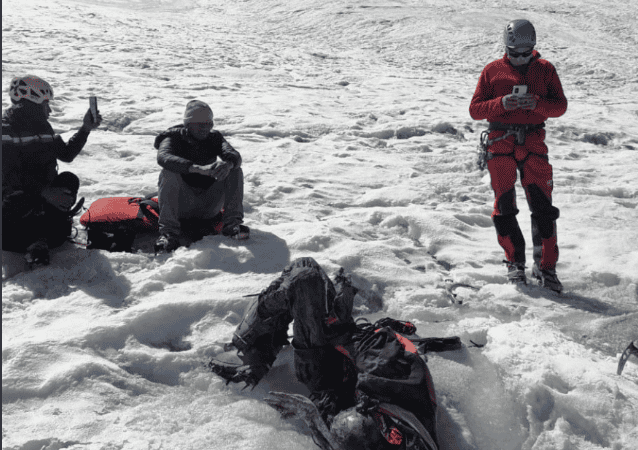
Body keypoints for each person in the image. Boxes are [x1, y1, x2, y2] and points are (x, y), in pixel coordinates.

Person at [209, 257, 442, 450]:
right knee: (307, 272)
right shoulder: (412, 426)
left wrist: (316, 414)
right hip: (350, 351)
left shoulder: (398, 423)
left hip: (330, 380)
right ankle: (254, 347)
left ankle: (251, 350)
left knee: (304, 276)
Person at [469, 19, 568, 292]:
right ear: (506, 48)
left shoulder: (545, 70)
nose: (521, 59)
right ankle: (515, 264)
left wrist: (537, 103)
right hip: (500, 145)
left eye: (527, 53)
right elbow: (475, 110)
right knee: (504, 207)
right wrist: (501, 104)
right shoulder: (492, 71)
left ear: (534, 49)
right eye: (515, 53)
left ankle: (546, 268)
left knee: (544, 209)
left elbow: (560, 106)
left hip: (534, 144)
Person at [2, 75, 102, 265]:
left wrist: (85, 129)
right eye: (45, 104)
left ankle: (42, 237)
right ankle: (39, 240)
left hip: (40, 201)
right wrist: (45, 192)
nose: (49, 110)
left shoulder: (43, 127)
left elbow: (66, 154)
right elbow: (9, 177)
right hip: (13, 209)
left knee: (68, 179)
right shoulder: (5, 130)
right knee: (17, 196)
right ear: (31, 105)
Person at [153, 100, 248, 253]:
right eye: (200, 124)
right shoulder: (172, 138)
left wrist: (228, 164)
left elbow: (234, 155)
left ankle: (232, 225)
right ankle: (168, 233)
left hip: (208, 205)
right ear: (188, 124)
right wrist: (197, 168)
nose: (205, 129)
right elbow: (164, 157)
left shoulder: (214, 138)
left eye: (209, 124)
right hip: (181, 206)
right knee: (168, 171)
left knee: (234, 169)